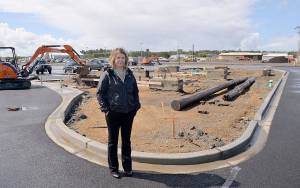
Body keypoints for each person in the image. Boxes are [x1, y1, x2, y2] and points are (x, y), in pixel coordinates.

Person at [96, 48, 140, 179]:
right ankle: (114, 168)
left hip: (128, 113)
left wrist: (136, 106)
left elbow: (135, 91)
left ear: (126, 59)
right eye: (118, 58)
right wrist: (106, 109)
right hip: (113, 113)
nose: (120, 60)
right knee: (113, 142)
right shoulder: (108, 74)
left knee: (126, 141)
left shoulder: (130, 74)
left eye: (122, 57)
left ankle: (127, 168)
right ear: (113, 59)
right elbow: (100, 93)